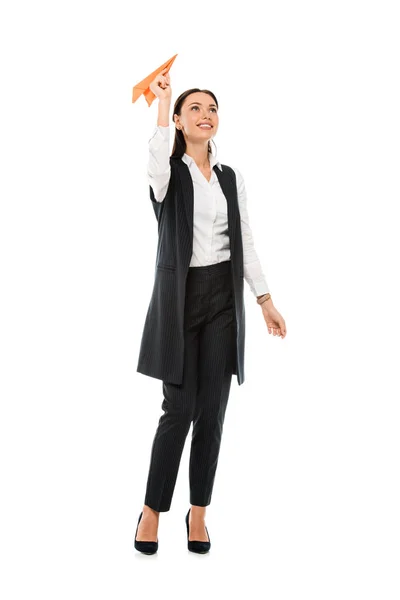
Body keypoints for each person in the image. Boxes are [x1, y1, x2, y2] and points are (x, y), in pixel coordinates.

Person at [134, 67, 287, 554]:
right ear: (180, 121)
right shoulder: (168, 174)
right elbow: (157, 159)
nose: (206, 115)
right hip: (180, 300)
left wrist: (264, 300)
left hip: (224, 298)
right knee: (178, 410)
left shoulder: (229, 177)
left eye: (212, 108)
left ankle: (198, 514)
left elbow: (245, 240)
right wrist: (162, 102)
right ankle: (152, 510)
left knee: (213, 413)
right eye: (194, 108)